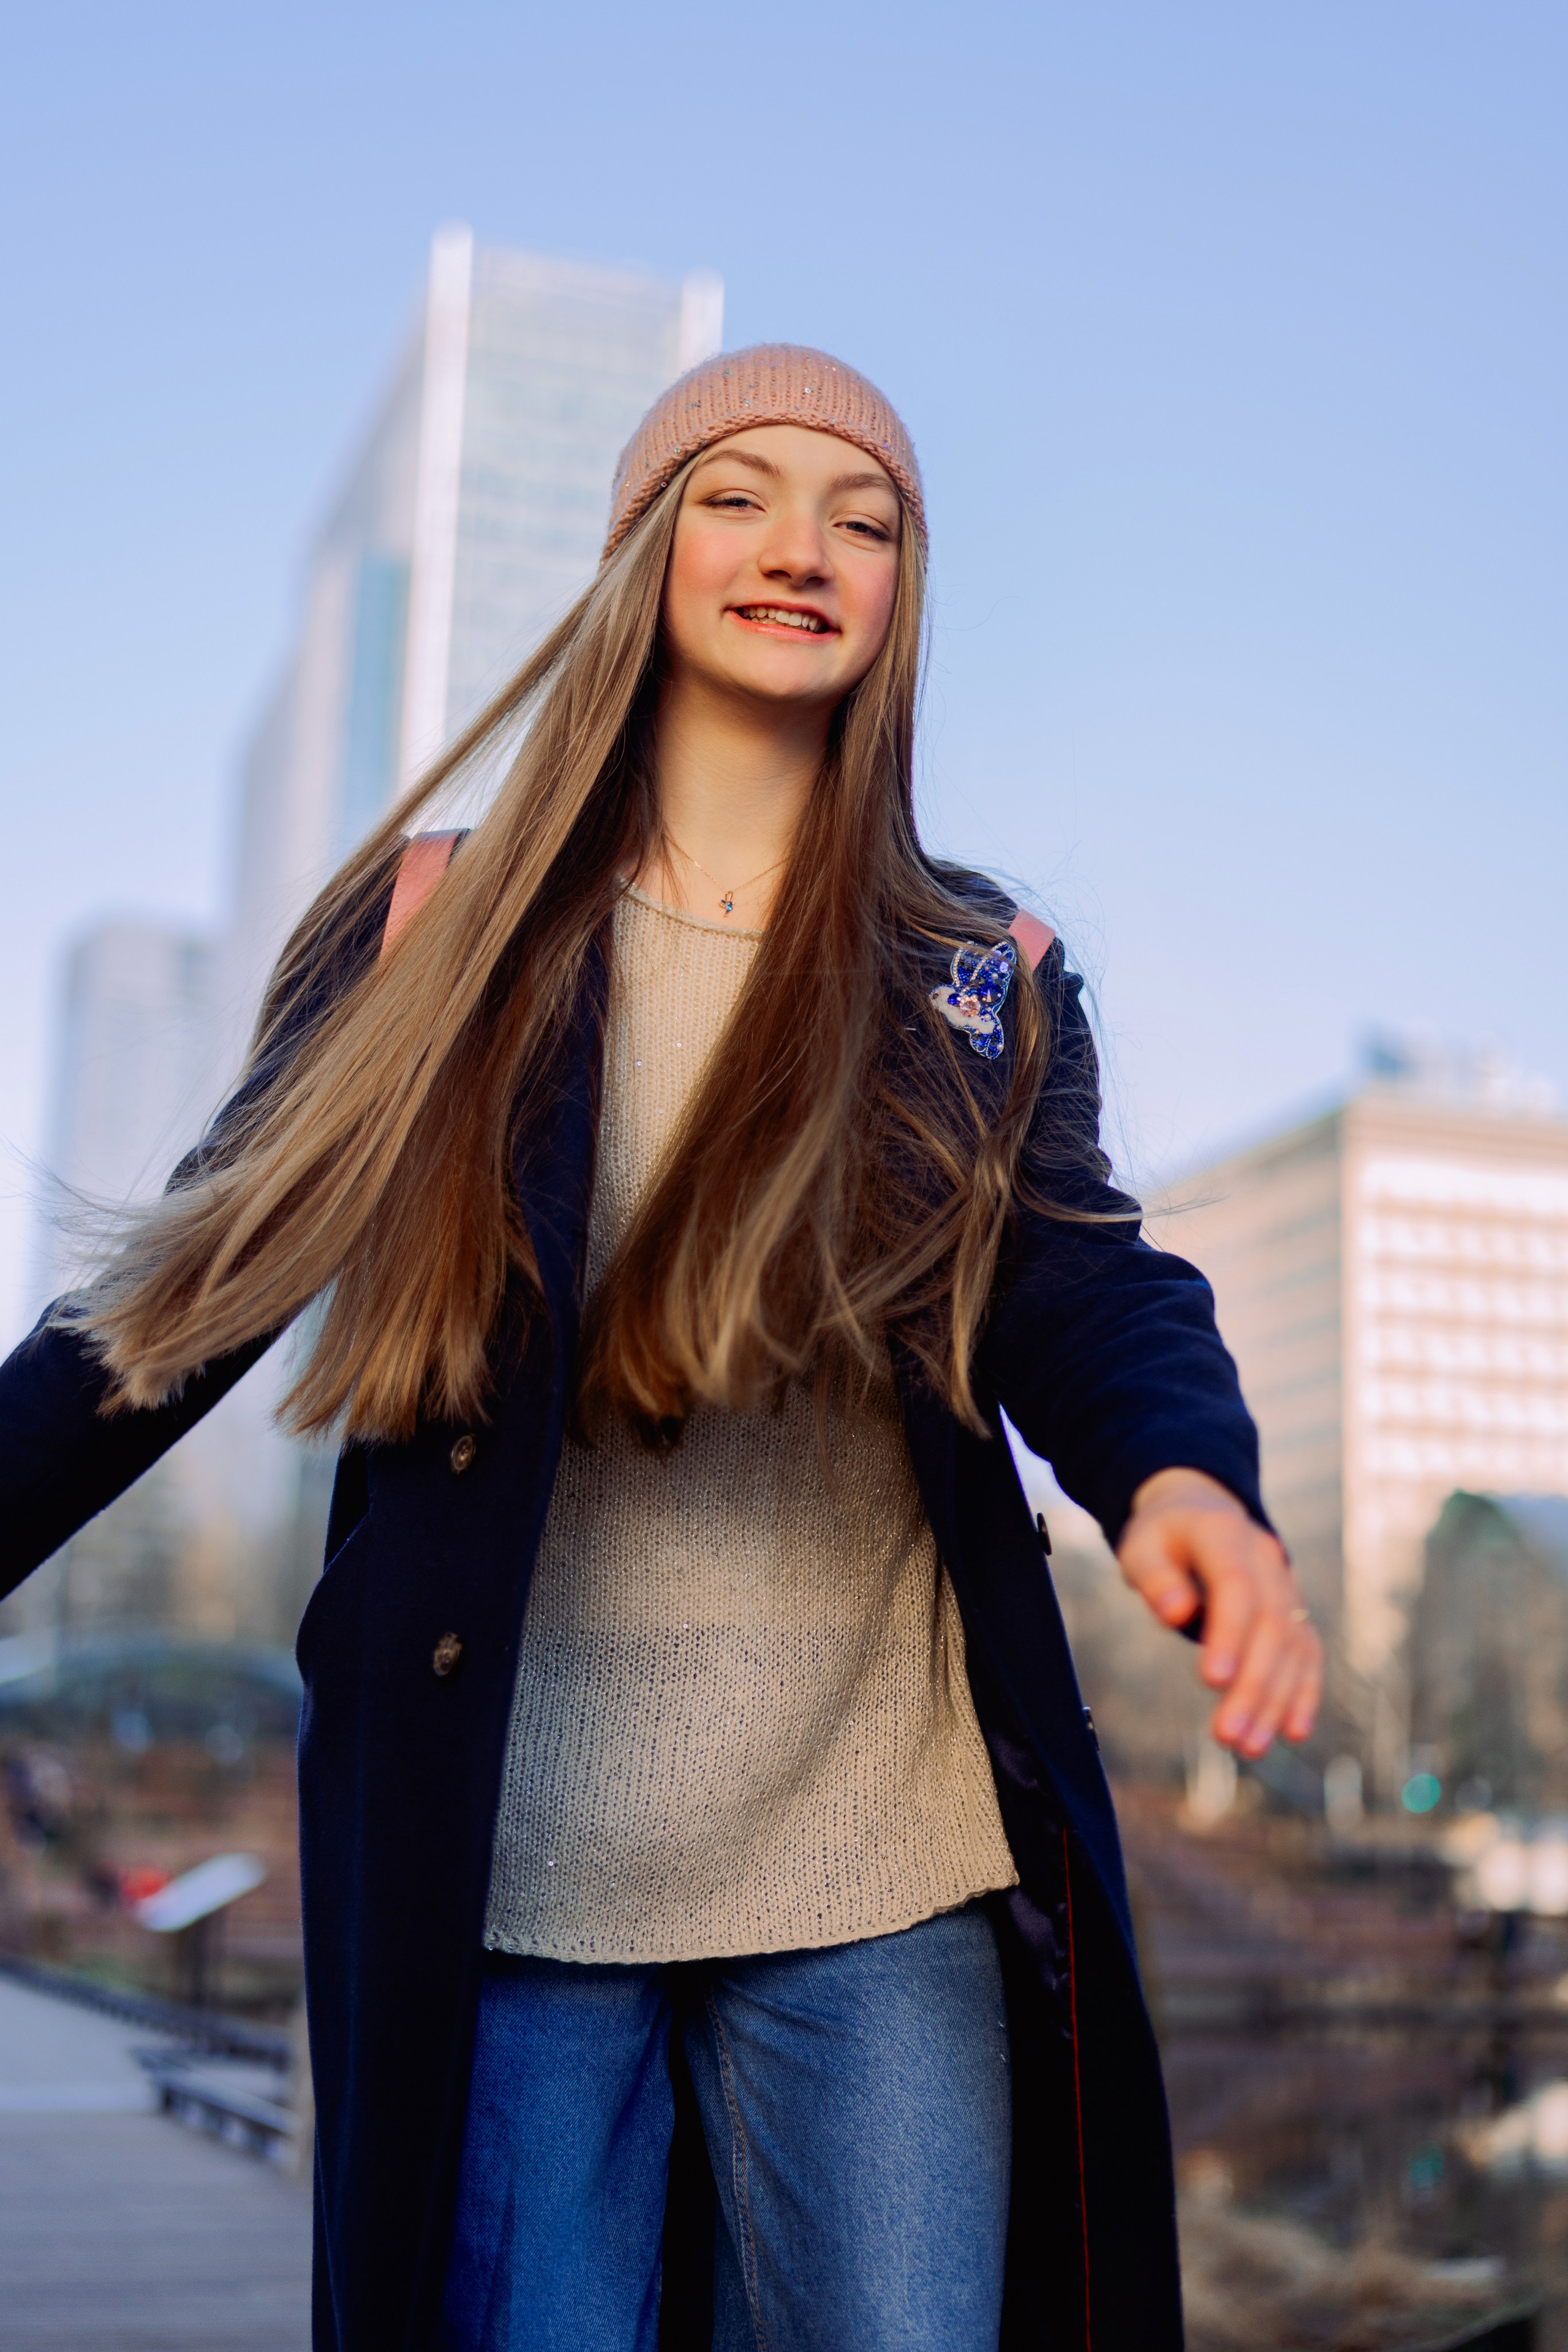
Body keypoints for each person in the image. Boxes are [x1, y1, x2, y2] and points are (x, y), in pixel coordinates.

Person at [0, 346, 1321, 2352]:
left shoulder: (979, 980)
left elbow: (1086, 1281)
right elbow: (181, 1298)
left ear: (902, 595)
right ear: (642, 552)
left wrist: (1185, 1476)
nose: (804, 547)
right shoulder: (439, 928)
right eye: (739, 494)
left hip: (880, 1875)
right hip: (515, 1880)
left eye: (863, 519)